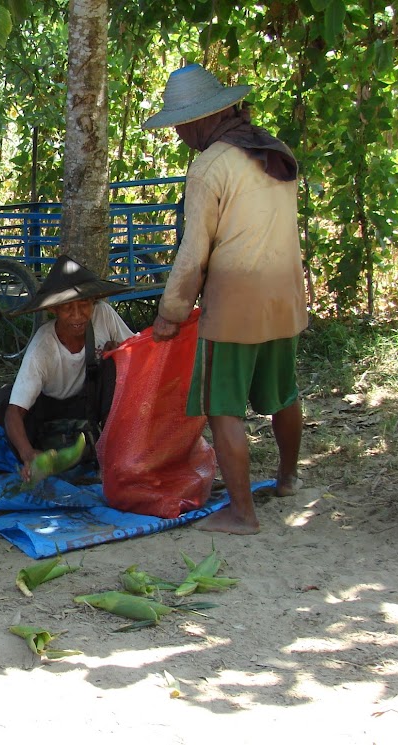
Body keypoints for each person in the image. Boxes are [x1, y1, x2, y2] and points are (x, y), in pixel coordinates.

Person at [142, 63, 308, 535]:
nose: (177, 134)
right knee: (283, 392)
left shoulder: (210, 164)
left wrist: (171, 312)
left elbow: (194, 252)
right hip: (284, 294)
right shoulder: (274, 150)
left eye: (179, 124)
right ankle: (287, 478)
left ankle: (241, 512)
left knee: (222, 406)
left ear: (199, 119)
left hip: (236, 300)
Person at [0, 255, 135, 482]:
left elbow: (138, 354)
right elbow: (15, 412)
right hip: (50, 409)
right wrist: (28, 455)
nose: (77, 315)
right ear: (54, 309)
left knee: (116, 363)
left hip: (91, 404)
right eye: (67, 308)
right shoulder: (42, 347)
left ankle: (115, 448)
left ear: (94, 301)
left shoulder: (104, 316)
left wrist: (121, 353)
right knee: (3, 410)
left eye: (84, 305)